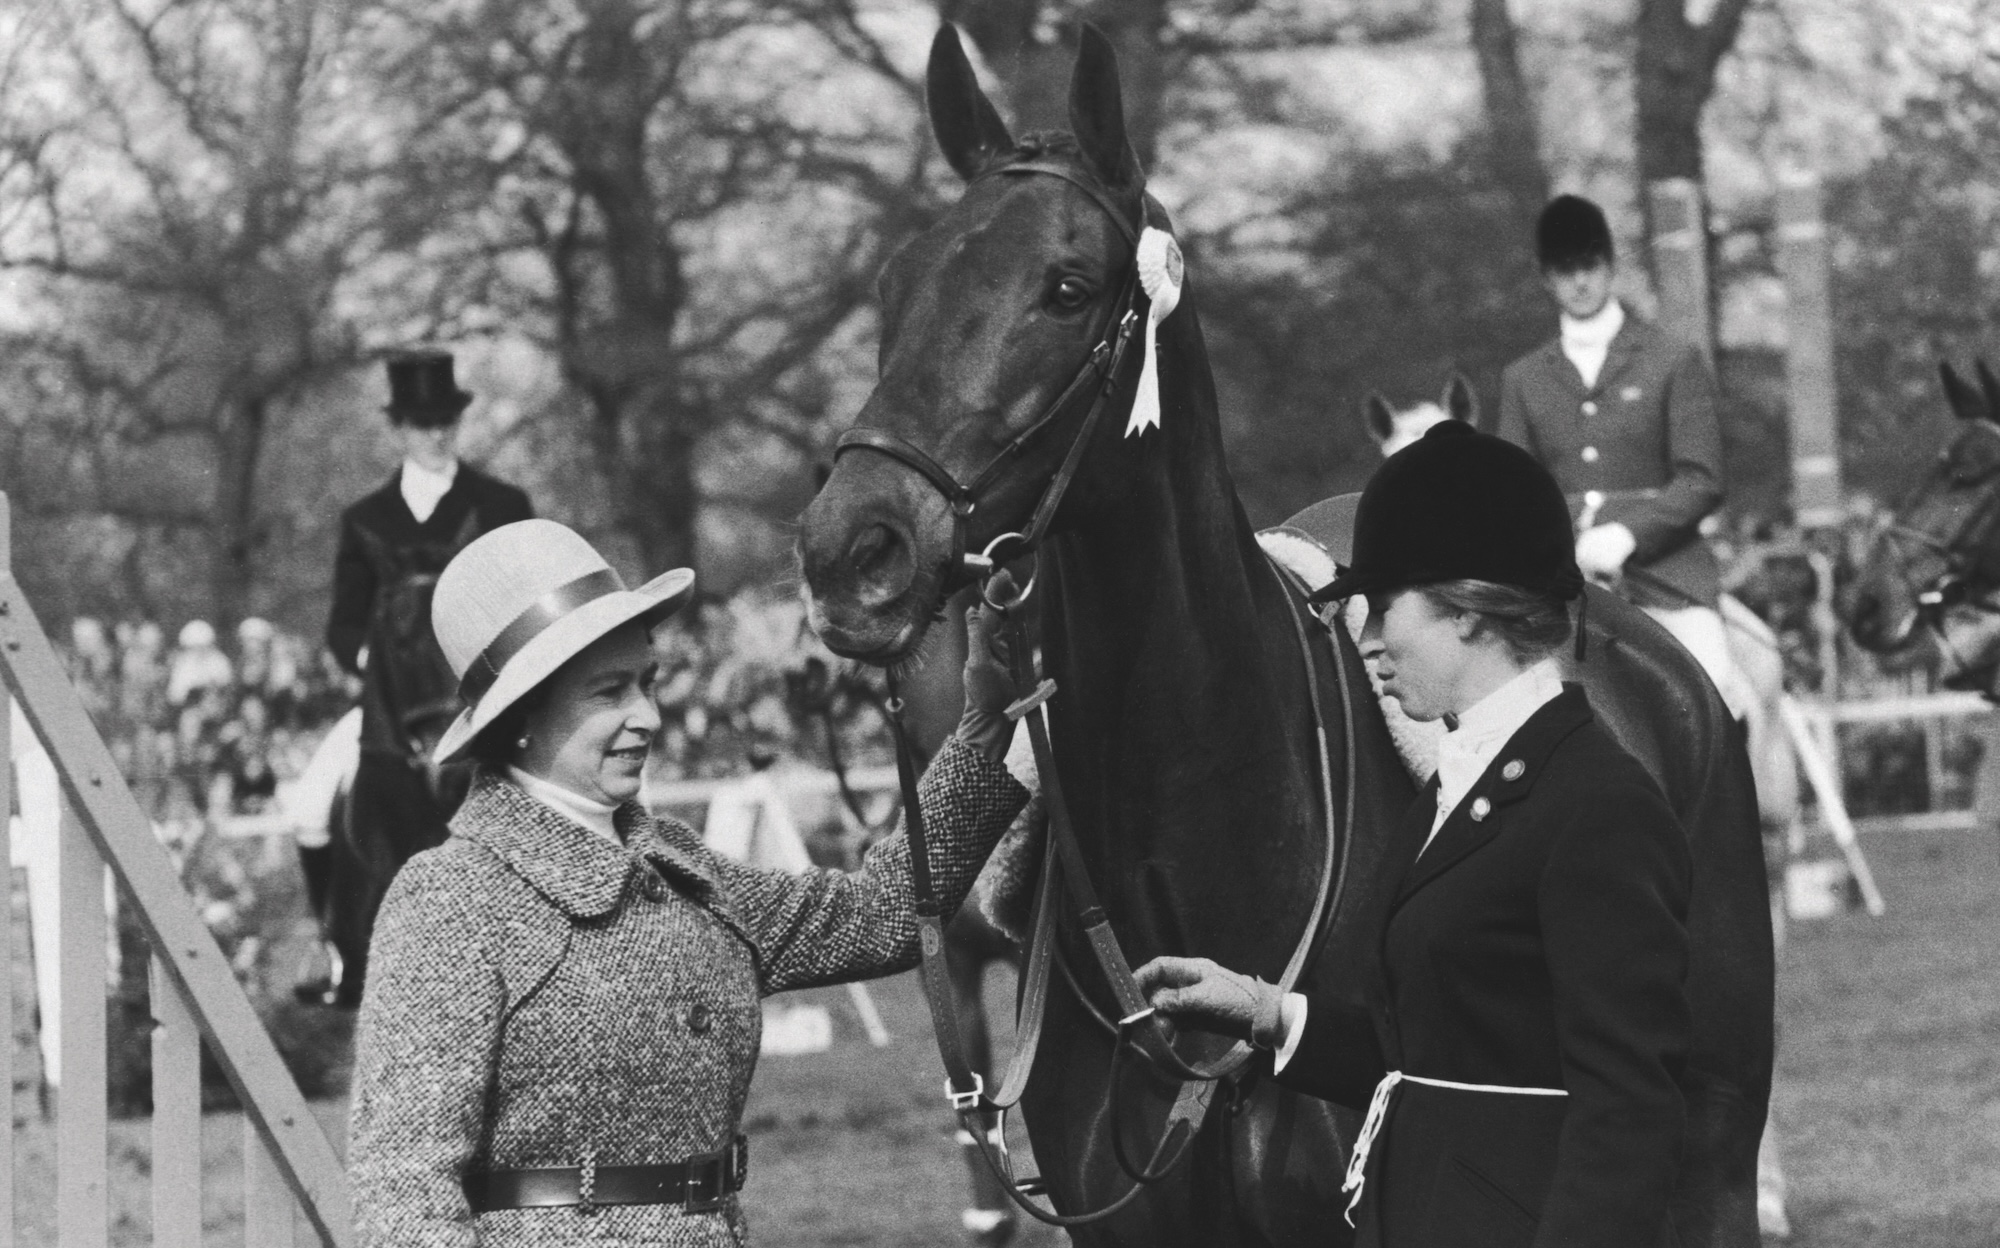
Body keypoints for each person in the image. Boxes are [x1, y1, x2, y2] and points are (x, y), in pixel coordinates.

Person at [349, 519, 1026, 1246]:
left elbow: (880, 915)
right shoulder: (451, 898)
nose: (647, 715)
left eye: (645, 683)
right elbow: (404, 1194)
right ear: (521, 716)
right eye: (609, 692)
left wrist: (984, 728)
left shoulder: (678, 866)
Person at [1136, 422, 1692, 1247]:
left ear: (1468, 610)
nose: (1364, 641)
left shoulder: (1597, 806)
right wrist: (1263, 1011)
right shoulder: (1455, 789)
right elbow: (1433, 1060)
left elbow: (1630, 1111)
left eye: (1384, 607)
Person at [317, 349, 534, 1005]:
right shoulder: (365, 520)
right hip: (391, 699)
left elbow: (529, 598)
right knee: (307, 808)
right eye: (421, 422)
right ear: (399, 429)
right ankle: (336, 960)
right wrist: (382, 661)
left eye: (445, 419)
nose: (436, 433)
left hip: (484, 697)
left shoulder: (500, 503)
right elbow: (343, 624)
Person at [1495, 193, 1750, 717]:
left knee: (1717, 684)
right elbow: (1514, 495)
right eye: (1566, 271)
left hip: (1665, 573)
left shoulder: (1671, 359)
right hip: (1561, 580)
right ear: (1548, 279)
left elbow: (1702, 480)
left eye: (1589, 265)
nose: (1581, 282)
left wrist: (1627, 534)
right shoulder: (1523, 378)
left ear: (1610, 267)